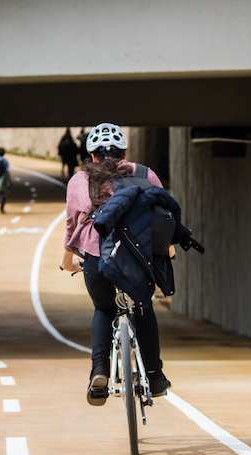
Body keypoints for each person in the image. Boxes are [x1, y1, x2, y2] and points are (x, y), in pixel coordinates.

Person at [60, 123, 172, 406]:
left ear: (92, 156)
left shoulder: (79, 181)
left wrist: (68, 261)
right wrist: (167, 249)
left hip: (97, 260)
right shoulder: (145, 174)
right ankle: (155, 376)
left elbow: (72, 226)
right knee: (143, 306)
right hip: (138, 258)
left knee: (104, 308)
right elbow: (164, 213)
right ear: (124, 152)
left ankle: (99, 371)